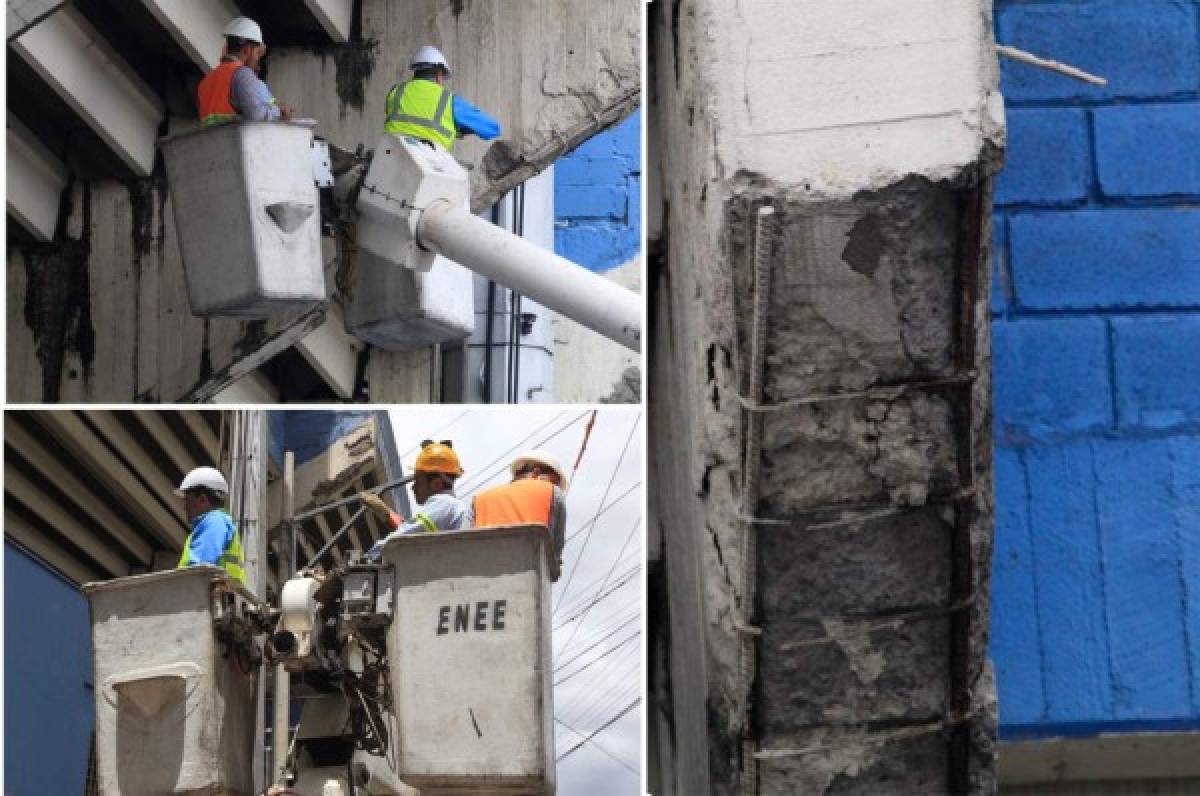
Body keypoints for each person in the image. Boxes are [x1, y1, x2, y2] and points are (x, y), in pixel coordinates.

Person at [383, 45, 500, 151]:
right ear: (439, 74)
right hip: (431, 165)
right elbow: (492, 129)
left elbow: (411, 118)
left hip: (389, 161)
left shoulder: (395, 92)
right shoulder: (449, 101)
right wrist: (461, 129)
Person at [363, 440, 467, 558]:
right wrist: (387, 513)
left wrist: (366, 560)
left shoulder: (444, 504)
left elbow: (399, 540)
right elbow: (413, 533)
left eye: (418, 480)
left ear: (436, 484)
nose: (413, 487)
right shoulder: (449, 507)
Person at [466, 450, 567, 565]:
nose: (554, 485)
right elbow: (555, 552)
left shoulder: (478, 499)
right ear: (536, 472)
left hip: (481, 573)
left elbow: (461, 543)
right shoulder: (553, 492)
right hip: (529, 575)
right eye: (553, 481)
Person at [196, 16, 294, 126]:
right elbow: (256, 114)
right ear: (247, 50)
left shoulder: (206, 81)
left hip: (212, 142)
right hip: (237, 141)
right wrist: (279, 112)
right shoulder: (241, 74)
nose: (258, 59)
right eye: (257, 53)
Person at [175, 466, 246, 586]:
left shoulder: (214, 521)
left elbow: (199, 569)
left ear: (203, 499)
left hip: (204, 598)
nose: (185, 507)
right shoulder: (217, 522)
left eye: (187, 500)